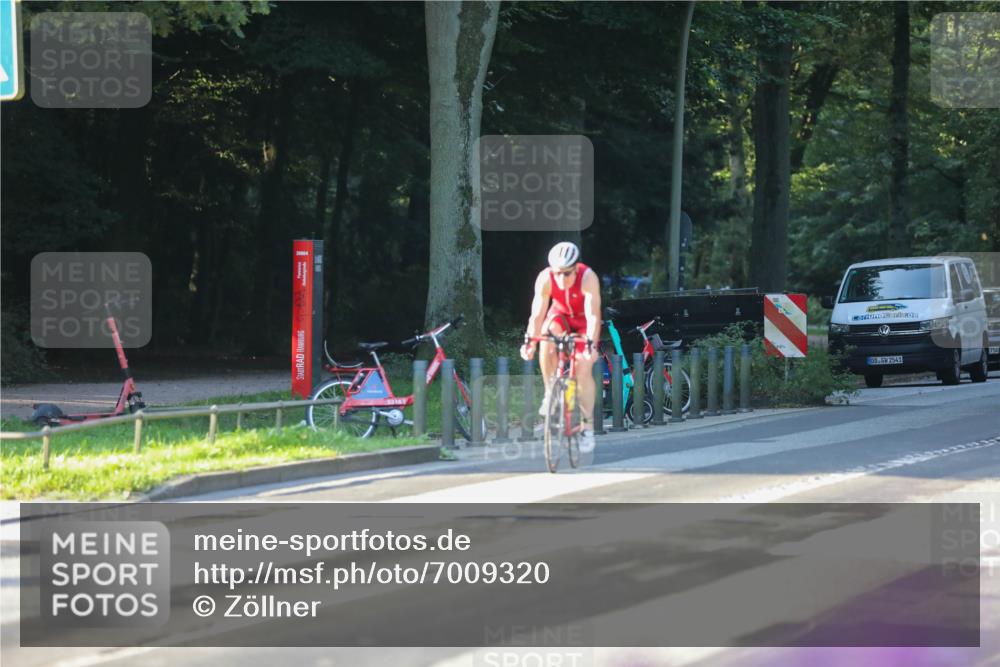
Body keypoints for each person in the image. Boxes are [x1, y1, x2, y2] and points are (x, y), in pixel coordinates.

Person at [520, 242, 602, 453]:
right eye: (557, 274)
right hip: (561, 316)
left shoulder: (588, 277)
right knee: (546, 339)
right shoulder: (545, 278)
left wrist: (591, 346)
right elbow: (537, 314)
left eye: (566, 274)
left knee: (583, 368)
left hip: (583, 320)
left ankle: (587, 426)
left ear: (576, 269)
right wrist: (529, 341)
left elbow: (593, 315)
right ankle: (550, 393)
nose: (561, 279)